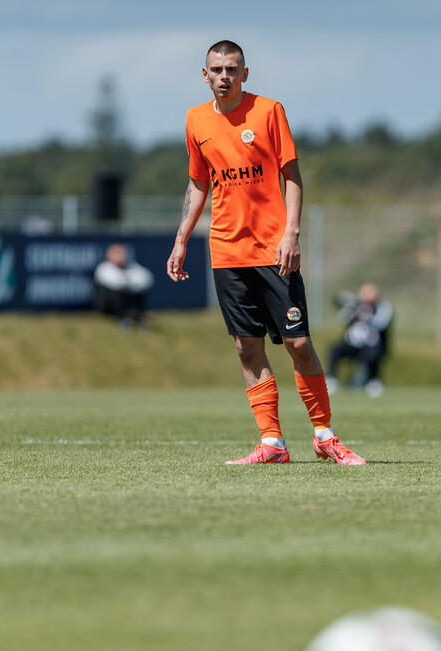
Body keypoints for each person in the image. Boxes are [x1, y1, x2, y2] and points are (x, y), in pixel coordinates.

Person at [167, 39, 365, 465]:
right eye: (217, 70)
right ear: (205, 76)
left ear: (245, 73)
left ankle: (325, 435)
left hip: (274, 250)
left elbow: (291, 175)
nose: (225, 77)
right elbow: (199, 182)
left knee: (298, 343)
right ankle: (272, 443)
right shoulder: (195, 120)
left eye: (233, 69)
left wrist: (291, 232)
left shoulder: (269, 111)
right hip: (226, 251)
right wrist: (182, 238)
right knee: (246, 348)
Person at [326, 283, 393, 397]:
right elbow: (343, 318)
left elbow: (382, 323)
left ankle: (373, 381)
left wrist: (367, 316)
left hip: (373, 344)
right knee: (334, 350)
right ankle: (331, 380)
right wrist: (355, 311)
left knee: (373, 354)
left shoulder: (383, 306)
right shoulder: (355, 305)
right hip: (352, 344)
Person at [94, 242, 154, 329]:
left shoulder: (132, 266)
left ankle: (137, 317)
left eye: (121, 253)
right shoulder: (104, 268)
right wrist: (131, 284)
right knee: (117, 294)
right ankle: (123, 318)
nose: (120, 256)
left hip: (129, 298)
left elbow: (147, 279)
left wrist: (131, 284)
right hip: (109, 306)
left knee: (139, 294)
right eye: (116, 253)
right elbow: (117, 284)